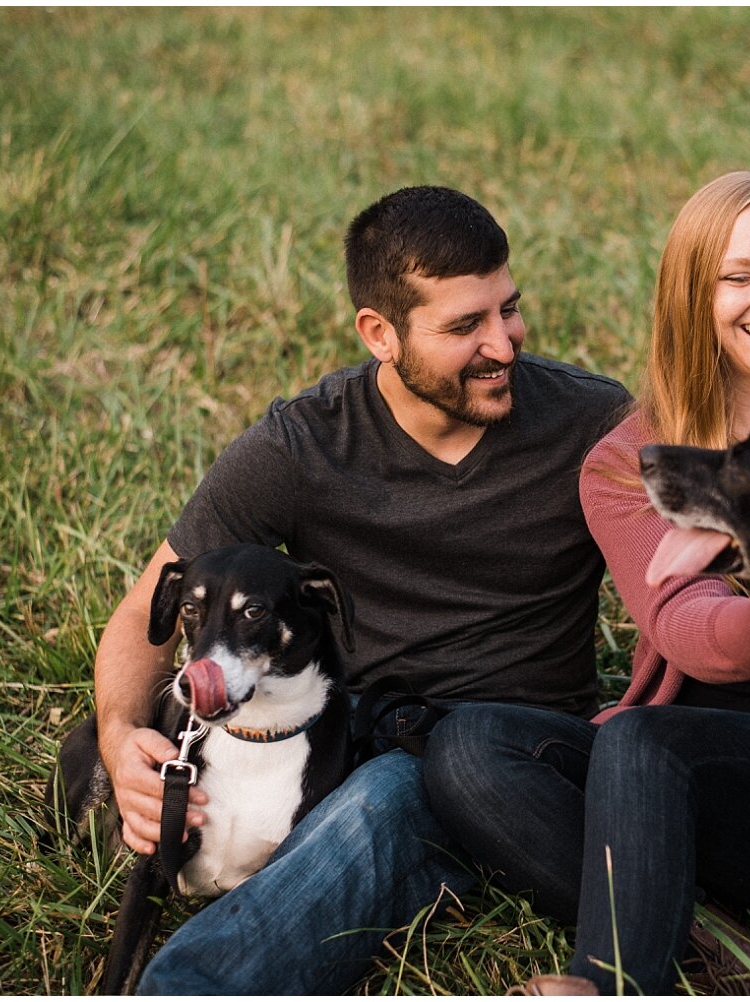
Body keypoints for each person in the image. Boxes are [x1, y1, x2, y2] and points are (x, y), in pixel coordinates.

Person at [424, 170, 750, 994]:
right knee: (468, 748)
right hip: (671, 781)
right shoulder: (631, 461)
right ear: (690, 296)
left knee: (645, 746)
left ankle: (616, 982)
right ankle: (711, 941)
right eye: (737, 278)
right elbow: (687, 630)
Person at [90, 185, 631, 993]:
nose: (505, 345)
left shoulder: (590, 423)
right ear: (380, 334)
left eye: (508, 310)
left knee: (386, 804)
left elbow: (682, 579)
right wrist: (117, 733)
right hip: (349, 734)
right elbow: (147, 608)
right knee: (344, 809)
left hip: (515, 755)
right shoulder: (302, 445)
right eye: (464, 327)